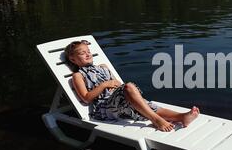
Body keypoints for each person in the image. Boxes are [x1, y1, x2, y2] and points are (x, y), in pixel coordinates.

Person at [64, 40, 199, 132]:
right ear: (72, 59)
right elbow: (86, 98)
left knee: (144, 103)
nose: (88, 54)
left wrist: (116, 87)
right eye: (82, 53)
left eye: (88, 51)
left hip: (118, 100)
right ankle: (156, 119)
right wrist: (106, 84)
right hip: (104, 108)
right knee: (129, 87)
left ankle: (182, 117)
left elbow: (117, 85)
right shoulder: (78, 75)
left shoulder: (103, 67)